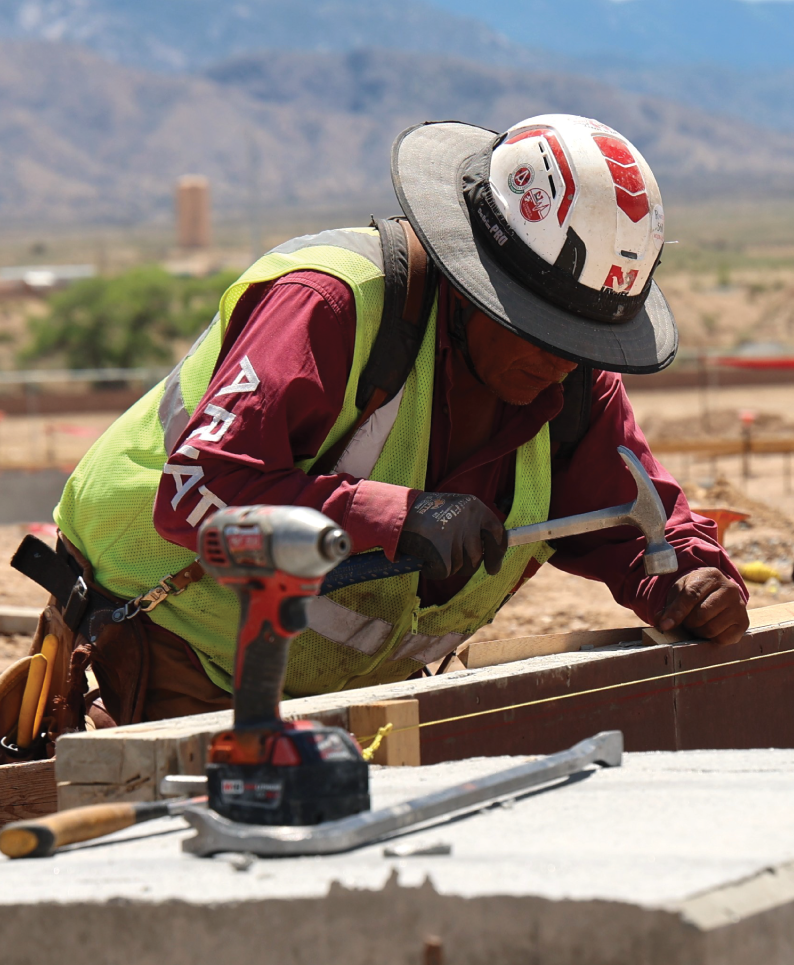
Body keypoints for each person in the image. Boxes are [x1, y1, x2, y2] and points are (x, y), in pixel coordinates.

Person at [45, 114, 747, 726]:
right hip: (176, 655)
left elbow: (637, 518)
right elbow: (203, 495)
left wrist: (691, 585)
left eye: (584, 342)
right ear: (475, 279)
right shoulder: (330, 307)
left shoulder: (570, 380)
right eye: (541, 331)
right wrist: (392, 517)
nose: (563, 363)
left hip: (354, 699)